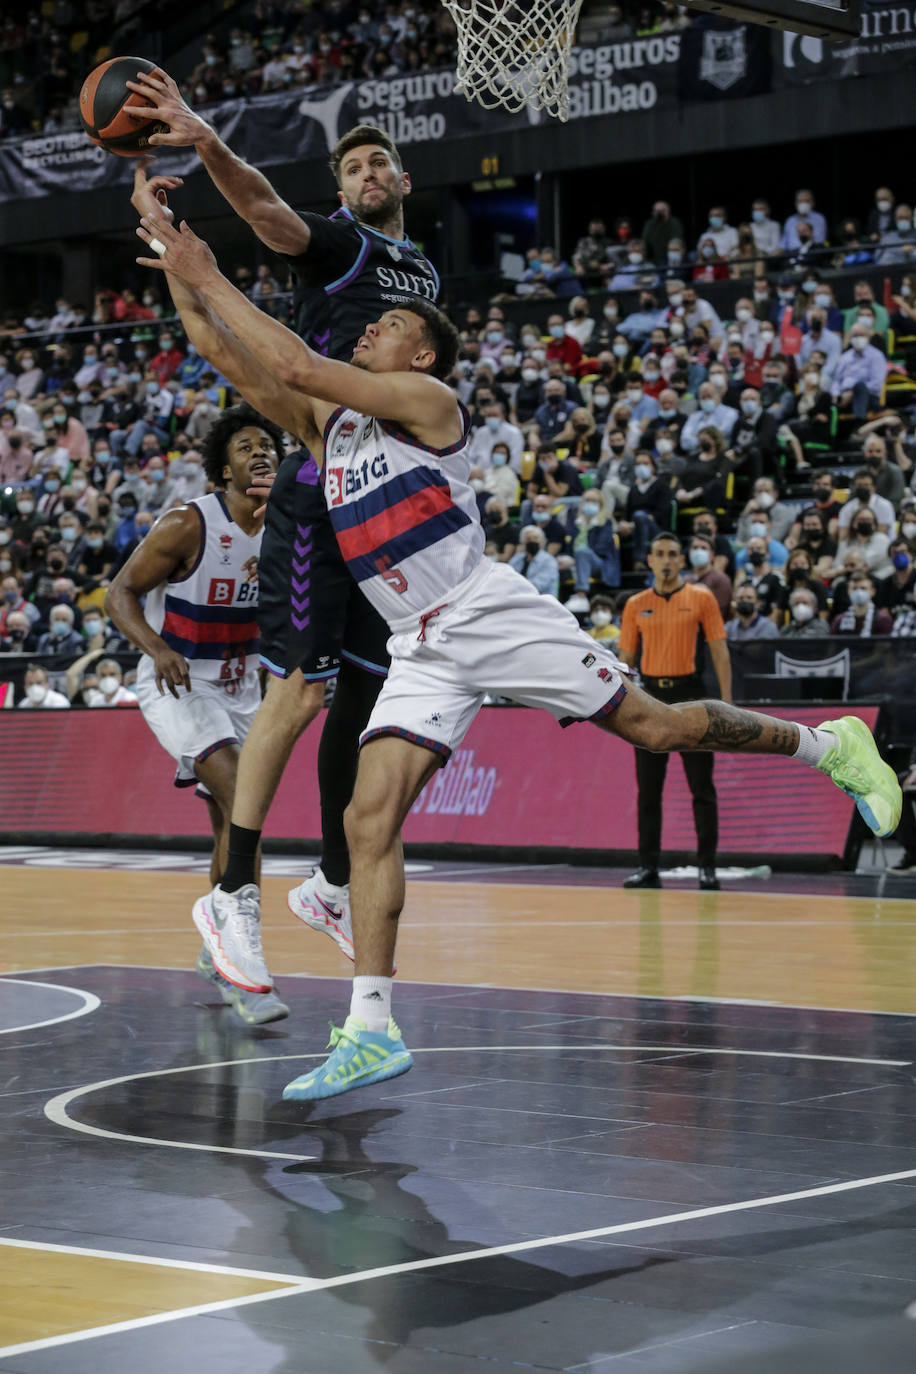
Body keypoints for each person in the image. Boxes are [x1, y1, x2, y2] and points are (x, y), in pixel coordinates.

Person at [138, 205, 901, 1101]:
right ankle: (372, 1028)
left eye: (389, 326)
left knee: (655, 729)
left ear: (419, 356)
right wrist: (181, 272)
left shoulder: (432, 405)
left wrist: (211, 267)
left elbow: (299, 360)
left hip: (485, 612)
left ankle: (829, 745)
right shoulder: (328, 432)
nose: (373, 326)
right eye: (373, 320)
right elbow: (237, 359)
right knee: (365, 818)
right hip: (419, 643)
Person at [120, 98, 441, 968]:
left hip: (386, 502)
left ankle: (333, 883)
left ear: (405, 182)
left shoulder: (422, 276)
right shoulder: (346, 248)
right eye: (353, 168)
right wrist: (209, 150)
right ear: (341, 195)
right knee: (299, 693)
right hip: (322, 481)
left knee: (368, 699)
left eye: (381, 165)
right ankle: (232, 896)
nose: (370, 175)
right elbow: (265, 214)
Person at [105, 403, 289, 1026]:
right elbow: (118, 593)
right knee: (241, 788)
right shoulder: (189, 524)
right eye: (245, 446)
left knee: (233, 826)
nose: (260, 453)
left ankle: (221, 951)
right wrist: (157, 648)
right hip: (178, 681)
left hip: (242, 689)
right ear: (221, 469)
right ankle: (245, 960)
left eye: (267, 445)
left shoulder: (286, 527)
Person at [617, 533, 729, 891]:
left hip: (692, 696)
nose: (666, 560)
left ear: (682, 560)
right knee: (648, 791)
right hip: (649, 697)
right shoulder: (636, 603)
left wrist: (727, 703)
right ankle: (648, 866)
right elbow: (625, 661)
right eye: (660, 554)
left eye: (673, 554)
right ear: (649, 560)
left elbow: (719, 651)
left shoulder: (701, 598)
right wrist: (622, 707)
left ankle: (707, 867)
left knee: (702, 787)